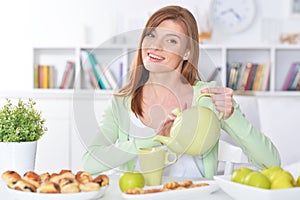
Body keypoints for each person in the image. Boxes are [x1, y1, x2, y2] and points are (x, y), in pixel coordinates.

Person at [82, 5, 280, 178]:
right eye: (151, 35)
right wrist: (154, 138)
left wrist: (231, 116)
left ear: (187, 52)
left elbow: (271, 163)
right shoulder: (122, 102)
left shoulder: (208, 97)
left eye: (171, 41)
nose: (155, 46)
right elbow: (89, 163)